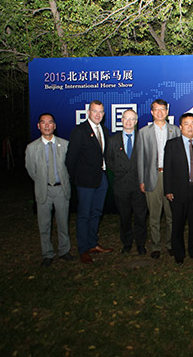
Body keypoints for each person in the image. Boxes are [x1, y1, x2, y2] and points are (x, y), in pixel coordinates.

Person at [65, 100, 113, 264]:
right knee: (84, 215)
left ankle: (93, 244)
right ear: (89, 113)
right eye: (95, 111)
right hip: (85, 181)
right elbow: (70, 159)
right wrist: (76, 179)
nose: (98, 115)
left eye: (101, 112)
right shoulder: (80, 131)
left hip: (101, 179)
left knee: (97, 213)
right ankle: (83, 249)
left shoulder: (105, 130)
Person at [25, 113, 74, 267]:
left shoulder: (65, 145)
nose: (47, 126)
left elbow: (70, 168)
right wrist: (42, 183)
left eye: (50, 122)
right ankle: (47, 253)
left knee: (63, 222)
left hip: (61, 190)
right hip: (43, 190)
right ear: (38, 126)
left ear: (55, 126)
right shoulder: (32, 148)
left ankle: (64, 251)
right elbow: (31, 170)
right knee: (44, 224)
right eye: (43, 123)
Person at [137, 99, 181, 259]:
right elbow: (140, 158)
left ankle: (170, 244)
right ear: (152, 112)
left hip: (171, 178)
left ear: (167, 111)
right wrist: (141, 180)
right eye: (156, 109)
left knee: (171, 215)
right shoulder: (143, 132)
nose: (160, 112)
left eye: (163, 109)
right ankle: (155, 246)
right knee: (154, 215)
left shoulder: (175, 130)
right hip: (152, 176)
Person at [164, 113, 193, 264]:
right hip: (178, 190)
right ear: (180, 127)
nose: (190, 127)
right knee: (178, 223)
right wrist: (168, 190)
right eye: (187, 124)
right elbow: (168, 169)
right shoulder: (172, 144)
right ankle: (179, 253)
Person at [106, 109, 148, 255]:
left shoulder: (142, 138)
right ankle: (127, 243)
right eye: (126, 118)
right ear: (121, 120)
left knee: (140, 216)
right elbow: (109, 160)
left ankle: (141, 244)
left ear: (136, 122)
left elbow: (147, 159)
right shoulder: (112, 140)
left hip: (139, 184)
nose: (129, 121)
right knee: (124, 216)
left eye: (132, 119)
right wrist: (119, 171)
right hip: (121, 184)